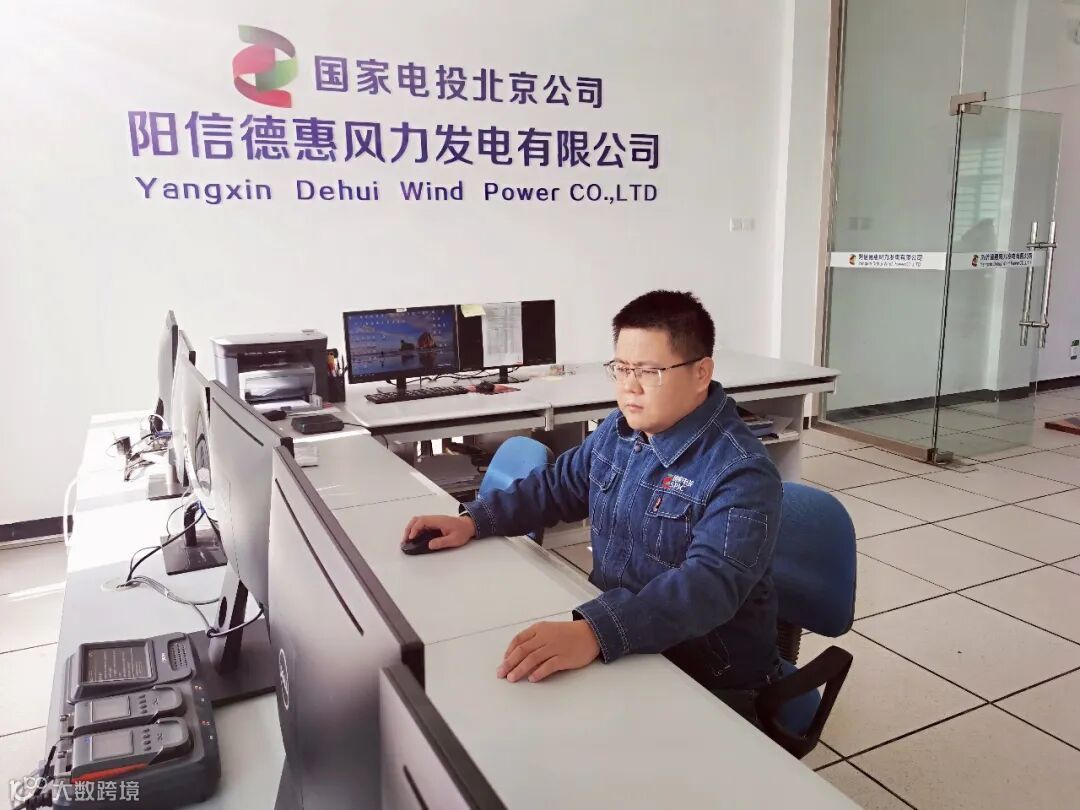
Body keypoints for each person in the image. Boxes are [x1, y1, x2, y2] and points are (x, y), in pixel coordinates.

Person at [402, 290, 784, 718]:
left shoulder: (741, 471)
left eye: (649, 371)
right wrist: (475, 520)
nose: (629, 386)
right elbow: (556, 486)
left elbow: (707, 588)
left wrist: (594, 632)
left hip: (703, 673)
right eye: (621, 369)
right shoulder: (621, 430)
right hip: (619, 640)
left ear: (701, 373)